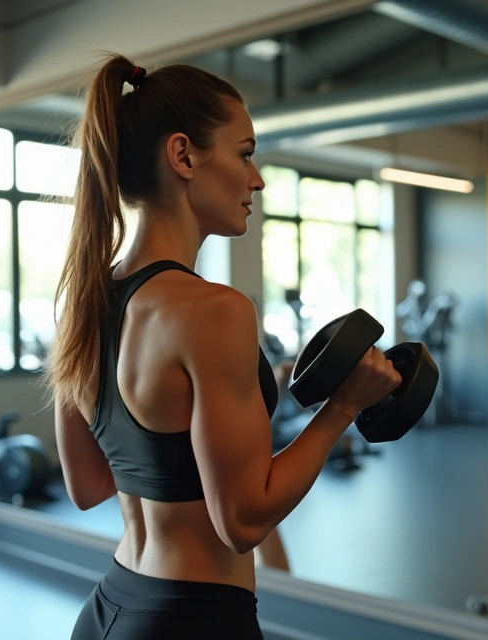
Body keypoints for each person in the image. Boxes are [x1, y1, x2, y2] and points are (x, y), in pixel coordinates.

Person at [47, 55, 401, 639]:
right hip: (192, 620)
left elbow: (88, 486)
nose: (256, 179)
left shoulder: (83, 302)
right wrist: (343, 406)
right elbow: (243, 522)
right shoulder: (215, 310)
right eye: (245, 153)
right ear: (183, 156)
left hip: (109, 607)